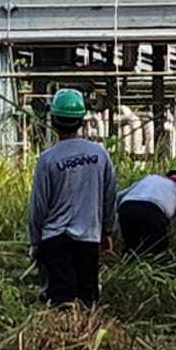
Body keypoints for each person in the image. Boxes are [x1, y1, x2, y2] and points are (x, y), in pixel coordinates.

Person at [28, 89, 118, 308]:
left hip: (55, 238)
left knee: (60, 300)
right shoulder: (99, 155)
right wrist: (107, 231)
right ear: (81, 120)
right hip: (89, 237)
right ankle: (89, 337)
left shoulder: (47, 160)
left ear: (54, 121)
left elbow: (38, 206)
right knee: (88, 297)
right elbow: (110, 197)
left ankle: (61, 339)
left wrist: (34, 241)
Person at [118, 166, 176, 263]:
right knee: (157, 257)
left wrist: (107, 226)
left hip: (127, 207)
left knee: (131, 250)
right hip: (153, 212)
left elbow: (119, 196)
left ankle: (126, 273)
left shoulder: (150, 178)